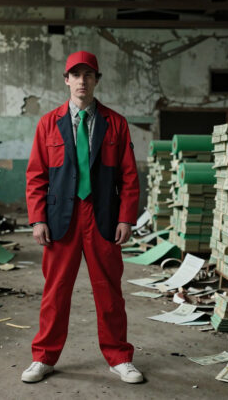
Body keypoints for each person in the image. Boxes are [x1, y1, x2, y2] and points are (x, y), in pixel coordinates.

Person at [23, 50, 143, 384]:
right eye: (75, 75)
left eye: (88, 75)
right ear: (66, 80)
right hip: (61, 217)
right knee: (55, 291)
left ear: (96, 80)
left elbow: (129, 176)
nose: (82, 81)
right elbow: (36, 176)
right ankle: (43, 357)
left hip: (102, 216)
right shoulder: (47, 123)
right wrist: (37, 219)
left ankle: (119, 357)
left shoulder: (115, 123)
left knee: (109, 292)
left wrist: (126, 218)